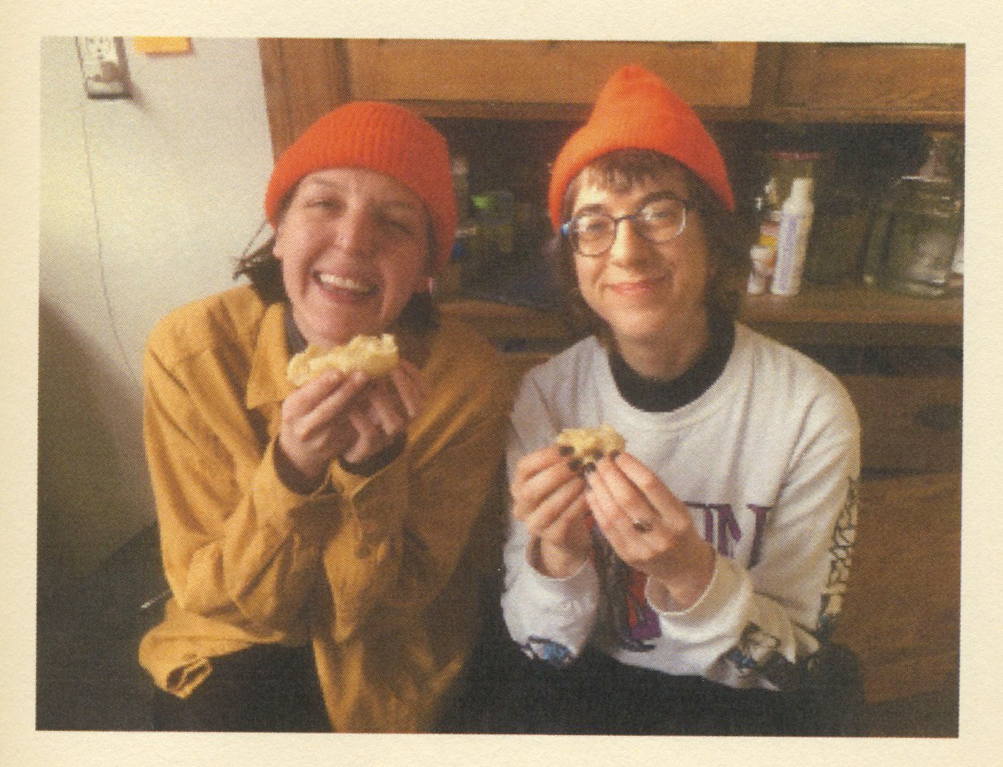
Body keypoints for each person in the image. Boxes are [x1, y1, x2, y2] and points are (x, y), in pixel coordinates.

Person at [496, 65, 863, 736]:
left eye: (660, 213)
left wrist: (690, 574)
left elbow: (794, 665)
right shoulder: (548, 397)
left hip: (741, 707)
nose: (627, 251)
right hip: (590, 690)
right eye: (594, 224)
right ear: (573, 261)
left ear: (716, 241)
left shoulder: (808, 409)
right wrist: (558, 554)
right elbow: (538, 648)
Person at [138, 101, 512, 732]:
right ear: (278, 229)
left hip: (394, 657)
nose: (353, 240)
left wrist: (375, 471)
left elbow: (392, 606)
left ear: (426, 269)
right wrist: (292, 471)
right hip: (234, 640)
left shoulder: (467, 380)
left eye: (395, 222)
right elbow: (215, 596)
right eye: (324, 204)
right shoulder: (192, 350)